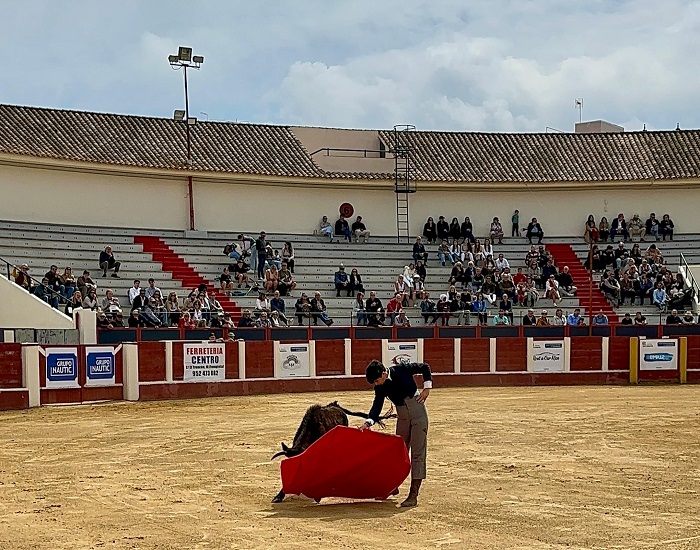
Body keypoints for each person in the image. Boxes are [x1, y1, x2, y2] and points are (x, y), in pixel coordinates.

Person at [361, 360, 432, 508]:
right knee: (398, 453)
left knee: (417, 454)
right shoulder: (380, 387)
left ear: (384, 373)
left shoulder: (402, 369)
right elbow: (377, 404)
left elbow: (425, 367)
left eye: (377, 380)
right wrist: (368, 422)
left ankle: (413, 495)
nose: (376, 384)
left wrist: (426, 388)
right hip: (403, 418)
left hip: (418, 414)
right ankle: (392, 487)